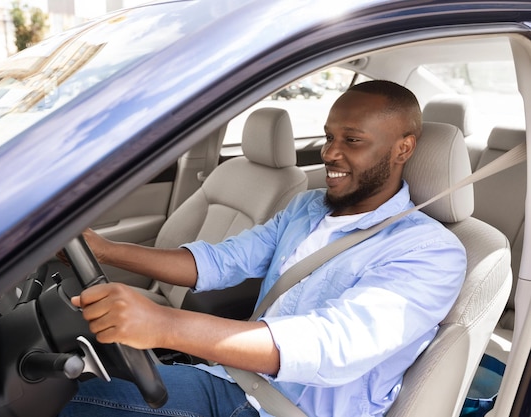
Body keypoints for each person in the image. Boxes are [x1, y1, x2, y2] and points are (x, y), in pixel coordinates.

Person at [59, 80, 466, 417]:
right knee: (58, 390)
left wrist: (164, 325)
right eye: (328, 137)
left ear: (403, 149)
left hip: (285, 410)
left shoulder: (430, 251)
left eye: (352, 140)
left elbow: (330, 345)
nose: (329, 153)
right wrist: (105, 250)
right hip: (230, 380)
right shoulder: (308, 207)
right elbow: (222, 261)